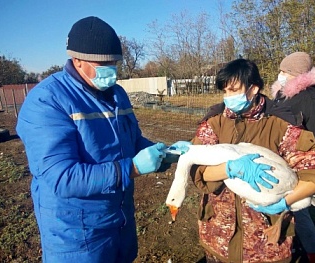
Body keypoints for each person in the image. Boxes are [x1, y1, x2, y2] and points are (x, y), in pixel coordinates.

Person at [16, 16, 189, 263]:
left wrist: (168, 152)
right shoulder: (47, 101)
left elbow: (133, 141)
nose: (112, 70)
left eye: (115, 62)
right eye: (104, 63)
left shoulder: (117, 94)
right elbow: (63, 178)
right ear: (77, 61)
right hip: (76, 234)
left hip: (119, 221)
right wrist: (133, 167)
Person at [189, 59, 315, 263]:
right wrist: (229, 169)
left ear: (253, 89)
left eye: (234, 90)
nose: (228, 97)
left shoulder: (281, 124)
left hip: (263, 245)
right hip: (219, 237)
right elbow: (198, 169)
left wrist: (284, 203)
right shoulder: (214, 122)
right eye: (225, 91)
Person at [267, 51, 315, 263]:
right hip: (276, 160)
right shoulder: (282, 95)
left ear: (297, 73)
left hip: (296, 165)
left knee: (299, 211)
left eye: (285, 71)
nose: (280, 74)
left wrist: (306, 171)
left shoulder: (312, 100)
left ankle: (313, 255)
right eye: (280, 70)